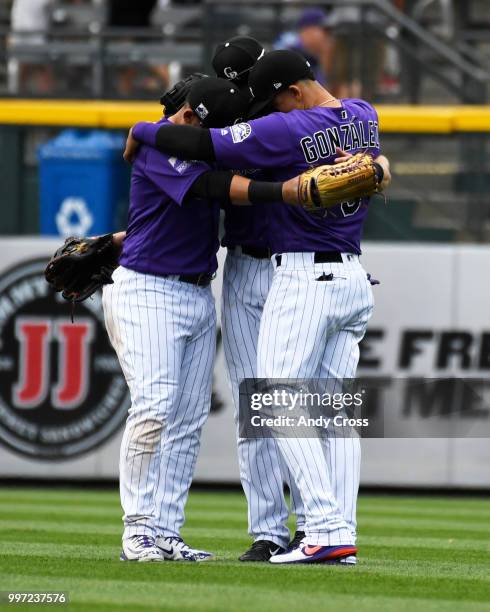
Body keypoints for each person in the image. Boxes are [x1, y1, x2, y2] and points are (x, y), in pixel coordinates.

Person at [124, 49, 391, 564]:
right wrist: (379, 167)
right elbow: (378, 161)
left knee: (276, 399)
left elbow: (200, 144)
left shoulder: (282, 128)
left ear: (289, 88)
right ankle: (309, 529)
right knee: (323, 409)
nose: (266, 105)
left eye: (269, 95)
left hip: (301, 271)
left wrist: (143, 128)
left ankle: (324, 527)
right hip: (336, 271)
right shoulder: (362, 114)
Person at [104, 73, 320, 562]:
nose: (214, 138)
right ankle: (136, 529)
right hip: (149, 290)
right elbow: (210, 184)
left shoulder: (167, 135)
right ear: (187, 118)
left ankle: (164, 530)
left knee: (187, 420)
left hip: (197, 291)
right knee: (155, 407)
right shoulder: (160, 147)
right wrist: (283, 192)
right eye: (209, 127)